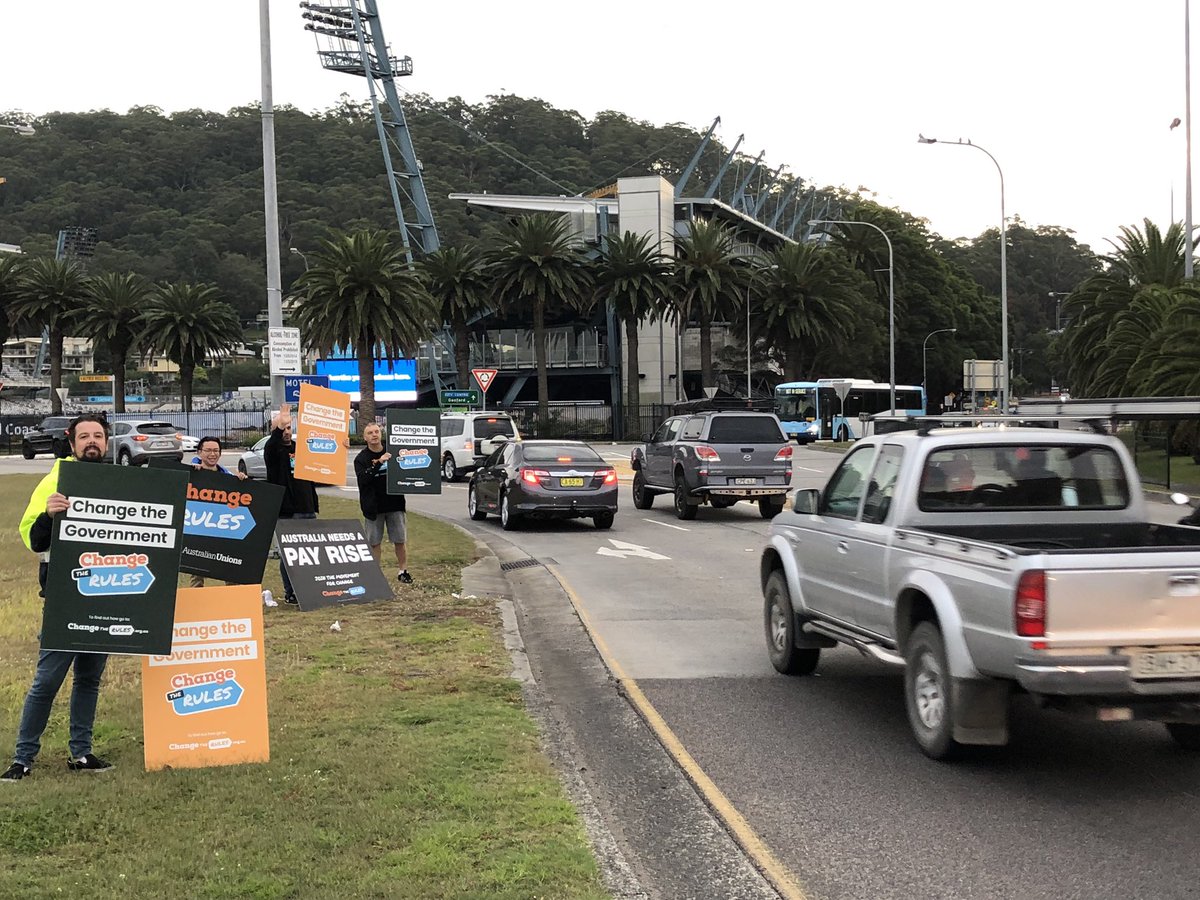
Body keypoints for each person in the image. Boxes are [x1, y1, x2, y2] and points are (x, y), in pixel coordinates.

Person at [3, 414, 115, 781]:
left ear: (107, 442)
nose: (92, 442)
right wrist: (50, 516)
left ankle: (81, 753)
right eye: (84, 436)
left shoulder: (121, 482)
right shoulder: (54, 481)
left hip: (107, 593)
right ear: (72, 443)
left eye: (98, 435)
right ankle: (23, 759)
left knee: (89, 679)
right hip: (65, 598)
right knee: (47, 681)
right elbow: (35, 540)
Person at [264, 402, 319, 605]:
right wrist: (282, 420)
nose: (287, 432)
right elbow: (275, 440)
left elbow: (319, 467)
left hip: (307, 509)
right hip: (286, 511)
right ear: (274, 430)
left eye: (289, 428)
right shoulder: (272, 449)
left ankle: (307, 587)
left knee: (308, 553)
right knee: (289, 554)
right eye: (283, 428)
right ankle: (291, 592)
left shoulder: (300, 449)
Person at [354, 421, 412, 585]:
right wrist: (378, 462)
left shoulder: (393, 450)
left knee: (400, 540)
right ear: (365, 437)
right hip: (373, 506)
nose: (374, 435)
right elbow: (363, 479)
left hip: (395, 502)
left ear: (381, 434)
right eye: (370, 433)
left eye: (376, 432)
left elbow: (412, 462)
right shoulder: (361, 458)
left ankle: (403, 570)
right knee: (374, 542)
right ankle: (375, 574)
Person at [187, 436, 248, 589]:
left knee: (229, 568)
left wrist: (241, 481)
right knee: (197, 572)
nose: (212, 454)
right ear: (199, 453)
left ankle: (233, 603)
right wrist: (192, 471)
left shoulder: (227, 477)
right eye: (208, 450)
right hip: (198, 529)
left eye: (216, 451)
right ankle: (196, 603)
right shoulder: (192, 473)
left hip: (222, 530)